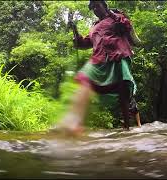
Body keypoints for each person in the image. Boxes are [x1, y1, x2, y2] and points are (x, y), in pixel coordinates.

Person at [55, 0, 141, 135]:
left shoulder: (116, 17)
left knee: (123, 92)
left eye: (98, 5)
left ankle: (127, 128)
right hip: (98, 59)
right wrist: (76, 32)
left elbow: (126, 26)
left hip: (118, 56)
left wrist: (112, 13)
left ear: (104, 5)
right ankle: (73, 121)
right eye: (93, 7)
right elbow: (84, 44)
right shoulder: (94, 26)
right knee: (84, 79)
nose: (95, 9)